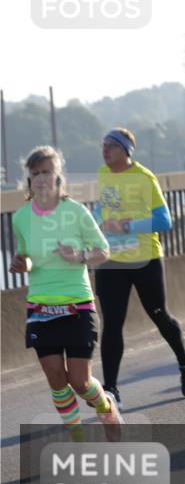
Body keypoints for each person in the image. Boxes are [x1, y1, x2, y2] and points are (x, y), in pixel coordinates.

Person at [10, 146, 122, 442]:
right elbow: (27, 258)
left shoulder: (75, 211)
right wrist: (21, 263)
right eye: (35, 174)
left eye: (47, 171)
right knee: (56, 380)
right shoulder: (20, 218)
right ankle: (80, 440)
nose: (41, 178)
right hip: (40, 308)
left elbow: (104, 252)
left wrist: (79, 255)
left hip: (77, 305)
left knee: (80, 381)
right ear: (29, 180)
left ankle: (106, 406)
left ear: (58, 176)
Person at [93, 128, 185, 408]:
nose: (105, 150)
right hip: (111, 260)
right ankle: (111, 389)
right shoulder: (103, 175)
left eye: (111, 146)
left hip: (145, 258)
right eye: (102, 145)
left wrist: (127, 225)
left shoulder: (144, 177)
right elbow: (101, 208)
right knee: (112, 323)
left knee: (159, 315)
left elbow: (165, 220)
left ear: (126, 150)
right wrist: (94, 224)